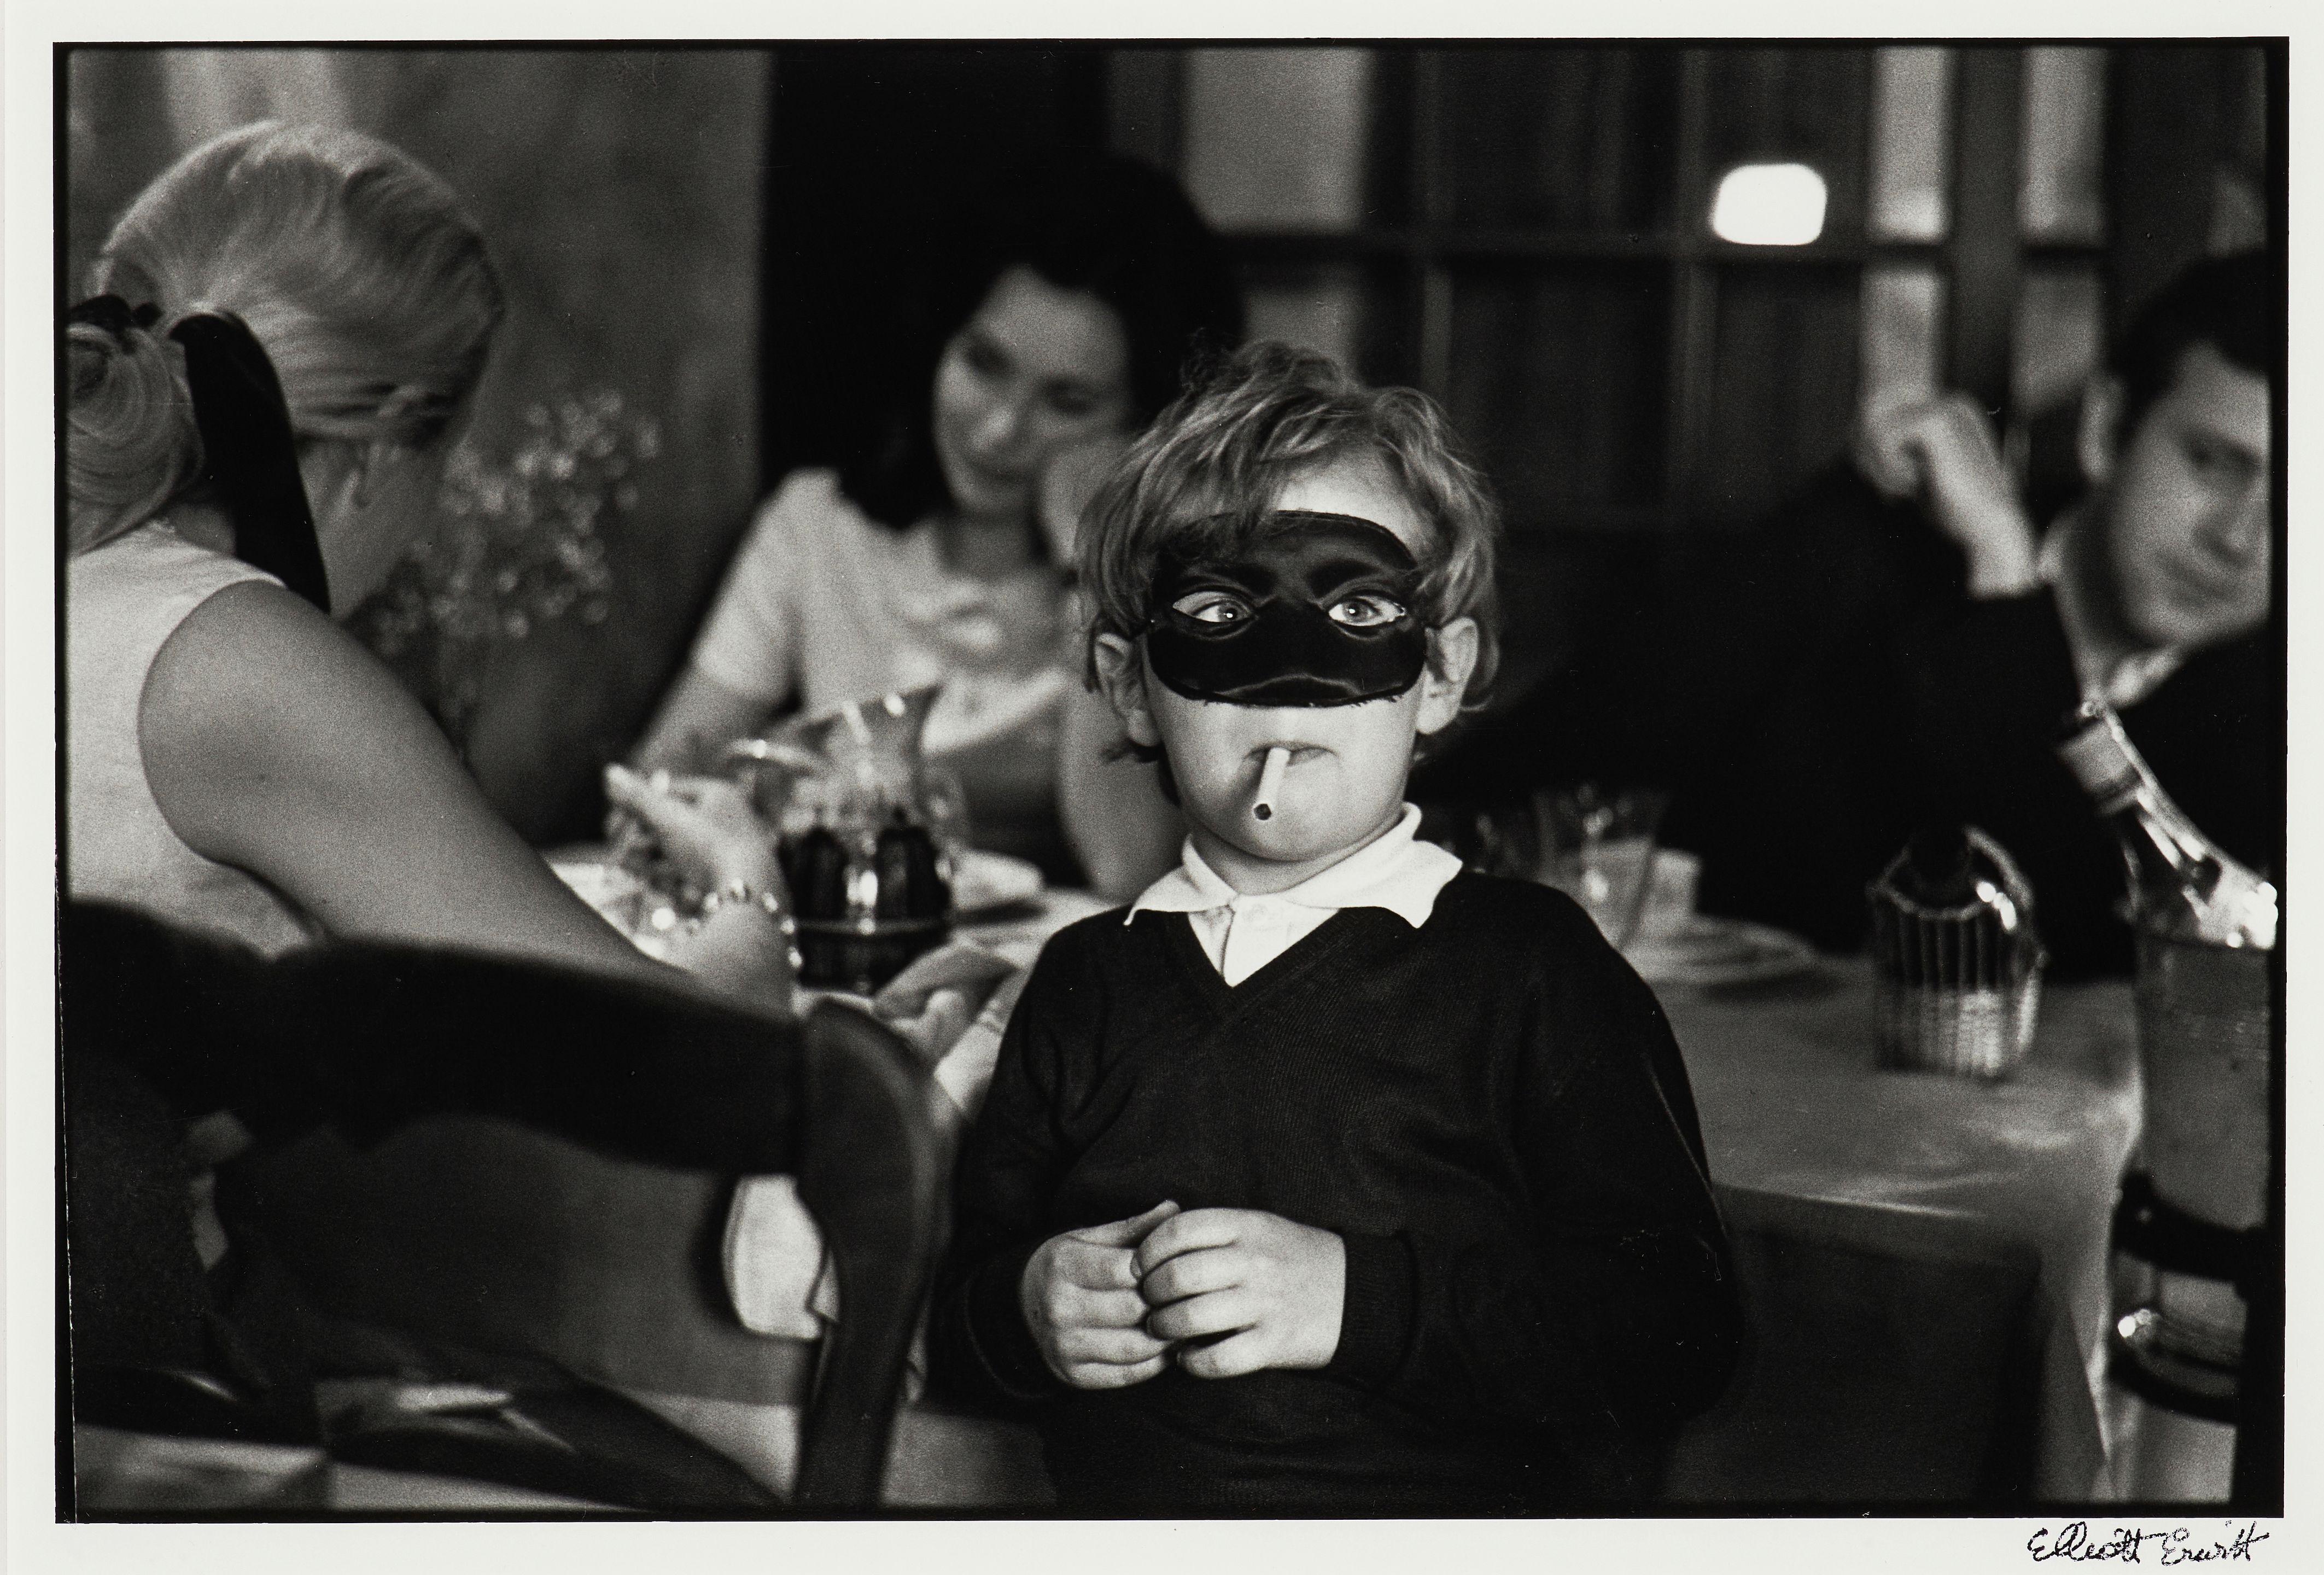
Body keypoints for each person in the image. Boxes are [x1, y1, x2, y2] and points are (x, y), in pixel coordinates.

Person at [925, 345, 1741, 1513]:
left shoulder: (1528, 972)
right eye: (1218, 612)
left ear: (1441, 673)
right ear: (1128, 683)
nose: (1289, 680)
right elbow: (962, 1312)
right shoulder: (1083, 985)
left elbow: (1675, 1335)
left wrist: (1354, 1303)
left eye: (1358, 609)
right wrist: (1028, 1309)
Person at [66, 121, 792, 1010]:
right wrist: (747, 890)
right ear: (379, 455)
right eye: (442, 465)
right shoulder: (231, 655)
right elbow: (674, 1066)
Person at [1654, 249, 2279, 976]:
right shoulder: (1860, 560)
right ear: (2104, 429)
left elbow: (2079, 954)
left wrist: (2008, 597)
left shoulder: (2284, 714)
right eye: (2210, 462)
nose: (2238, 540)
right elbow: (1539, 787)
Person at [633, 152, 1244, 896]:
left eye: (1067, 402)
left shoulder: (1175, 589)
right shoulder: (819, 527)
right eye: (983, 364)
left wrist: (1099, 561)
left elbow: (1129, 866)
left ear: (1145, 425)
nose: (998, 429)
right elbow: (659, 786)